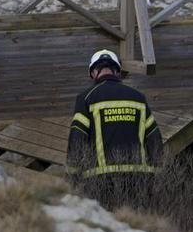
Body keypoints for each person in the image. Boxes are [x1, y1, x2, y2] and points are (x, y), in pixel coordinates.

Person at [67, 49, 163, 210]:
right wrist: (157, 175)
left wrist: (72, 176)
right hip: (139, 179)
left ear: (93, 73)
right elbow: (154, 140)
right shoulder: (138, 98)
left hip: (100, 181)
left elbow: (77, 139)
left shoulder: (86, 98)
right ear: (117, 71)